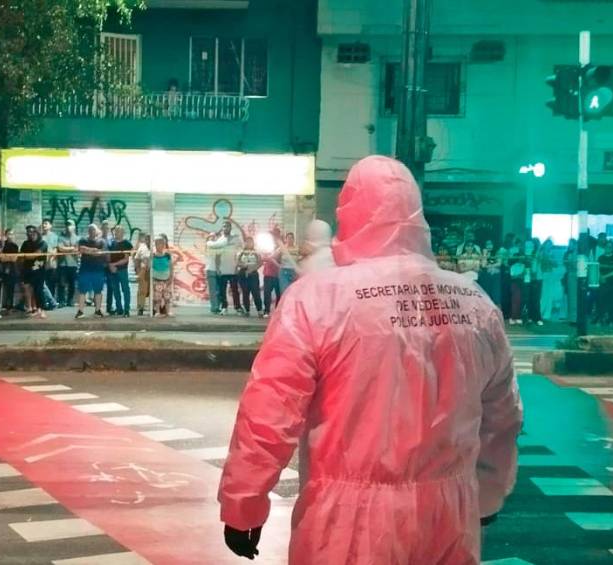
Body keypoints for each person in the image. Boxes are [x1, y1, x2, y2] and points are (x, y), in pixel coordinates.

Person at [218, 156, 522, 564]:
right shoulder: (474, 304)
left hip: (348, 522)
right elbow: (501, 417)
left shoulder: (318, 299)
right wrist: (486, 493)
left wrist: (245, 503)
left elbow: (269, 410)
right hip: (448, 516)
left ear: (349, 214)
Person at [207, 221, 243, 315]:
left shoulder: (236, 238)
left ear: (230, 228)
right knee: (222, 291)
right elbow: (217, 256)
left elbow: (241, 250)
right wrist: (218, 268)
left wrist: (238, 264)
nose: (225, 228)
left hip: (233, 269)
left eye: (227, 226)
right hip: (222, 270)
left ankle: (238, 308)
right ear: (222, 229)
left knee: (235, 290)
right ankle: (224, 307)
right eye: (223, 226)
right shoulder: (220, 240)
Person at [75, 224, 106, 319]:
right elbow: (82, 249)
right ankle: (80, 311)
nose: (92, 231)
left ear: (97, 231)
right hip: (85, 270)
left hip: (98, 270)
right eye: (90, 229)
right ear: (88, 231)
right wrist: (94, 250)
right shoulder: (83, 240)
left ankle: (97, 310)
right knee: (82, 291)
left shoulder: (101, 241)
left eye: (93, 229)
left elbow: (102, 253)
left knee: (98, 291)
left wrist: (90, 251)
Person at [20, 225, 48, 319]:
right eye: (30, 233)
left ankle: (42, 310)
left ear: (38, 233)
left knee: (39, 290)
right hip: (27, 269)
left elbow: (37, 254)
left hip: (39, 269)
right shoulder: (26, 243)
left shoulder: (43, 243)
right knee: (28, 288)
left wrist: (28, 256)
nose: (31, 234)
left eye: (34, 232)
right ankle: (31, 308)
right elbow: (21, 255)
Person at [595, 241, 613, 326]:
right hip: (602, 284)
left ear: (612, 248)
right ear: (604, 248)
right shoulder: (600, 258)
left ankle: (611, 320)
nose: (608, 248)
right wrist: (600, 277)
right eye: (607, 246)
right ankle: (600, 319)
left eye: (610, 247)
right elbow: (597, 269)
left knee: (612, 303)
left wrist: (605, 277)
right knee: (600, 302)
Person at [108, 226, 133, 317]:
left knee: (125, 289)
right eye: (116, 231)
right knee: (115, 290)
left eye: (118, 231)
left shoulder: (126, 243)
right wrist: (110, 265)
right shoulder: (111, 243)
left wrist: (114, 264)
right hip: (112, 270)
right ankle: (119, 309)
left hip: (122, 269)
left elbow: (126, 259)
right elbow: (108, 256)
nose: (116, 233)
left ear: (123, 232)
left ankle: (126, 310)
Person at [236, 237, 263, 318]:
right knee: (245, 292)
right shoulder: (241, 252)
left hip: (253, 273)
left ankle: (260, 310)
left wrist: (252, 269)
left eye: (250, 242)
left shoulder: (256, 252)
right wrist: (244, 265)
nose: (249, 244)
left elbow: (260, 262)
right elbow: (237, 262)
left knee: (256, 292)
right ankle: (247, 310)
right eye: (247, 242)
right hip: (243, 273)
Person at [57, 220, 79, 307]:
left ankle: (70, 300)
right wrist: (72, 249)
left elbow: (77, 249)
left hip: (73, 264)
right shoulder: (61, 238)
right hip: (63, 264)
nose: (68, 227)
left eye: (70, 225)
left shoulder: (78, 238)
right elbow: (60, 248)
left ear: (74, 227)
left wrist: (66, 248)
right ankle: (62, 301)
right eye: (66, 225)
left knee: (72, 284)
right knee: (61, 283)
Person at [151, 236, 174, 317]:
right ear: (155, 245)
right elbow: (150, 266)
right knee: (157, 297)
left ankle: (168, 311)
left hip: (166, 279)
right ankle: (157, 312)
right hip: (157, 280)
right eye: (158, 244)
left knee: (167, 297)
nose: (160, 245)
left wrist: (171, 277)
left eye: (162, 244)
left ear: (164, 245)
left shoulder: (167, 255)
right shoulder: (153, 255)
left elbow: (171, 266)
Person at [261, 229, 282, 317]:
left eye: (276, 235)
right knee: (267, 293)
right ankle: (266, 311)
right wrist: (270, 258)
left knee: (279, 294)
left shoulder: (282, 246)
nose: (274, 236)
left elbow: (282, 259)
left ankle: (278, 312)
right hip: (268, 273)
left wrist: (271, 258)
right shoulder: (266, 246)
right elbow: (263, 258)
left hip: (279, 274)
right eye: (273, 235)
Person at [40, 219, 59, 309]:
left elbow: (55, 249)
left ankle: (52, 303)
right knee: (43, 283)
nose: (44, 225)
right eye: (43, 224)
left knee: (51, 283)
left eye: (46, 224)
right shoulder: (40, 237)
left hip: (51, 263)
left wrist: (50, 259)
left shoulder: (54, 236)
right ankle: (46, 302)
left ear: (50, 225)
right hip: (41, 264)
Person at [538, 238, 558, 322]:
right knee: (544, 295)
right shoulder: (541, 253)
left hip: (550, 274)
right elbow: (542, 263)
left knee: (549, 295)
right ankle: (541, 313)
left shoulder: (551, 253)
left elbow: (555, 264)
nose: (550, 246)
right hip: (544, 274)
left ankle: (547, 314)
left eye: (551, 244)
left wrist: (551, 261)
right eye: (548, 244)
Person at [1, 229, 20, 312]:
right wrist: (5, 258)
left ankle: (10, 306)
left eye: (12, 234)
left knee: (10, 288)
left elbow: (14, 258)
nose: (10, 236)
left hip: (12, 269)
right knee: (3, 287)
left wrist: (6, 258)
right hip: (2, 268)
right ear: (5, 235)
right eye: (9, 234)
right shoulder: (2, 245)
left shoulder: (15, 246)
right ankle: (2, 304)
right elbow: (0, 258)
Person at [101, 220, 116, 314]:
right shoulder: (99, 239)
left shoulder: (111, 239)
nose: (106, 229)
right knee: (98, 287)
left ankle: (109, 307)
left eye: (107, 228)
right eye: (104, 227)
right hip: (101, 265)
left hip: (109, 265)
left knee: (111, 286)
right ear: (101, 228)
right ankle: (97, 307)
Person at [134, 233, 151, 316]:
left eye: (150, 239)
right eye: (147, 239)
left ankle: (154, 308)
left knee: (152, 291)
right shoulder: (141, 247)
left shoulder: (155, 248)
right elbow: (136, 259)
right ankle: (140, 308)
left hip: (153, 272)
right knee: (142, 291)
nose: (148, 241)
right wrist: (137, 271)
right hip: (143, 271)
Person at [562, 238, 578, 324]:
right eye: (569, 244)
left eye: (571, 244)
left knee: (574, 298)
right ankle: (571, 318)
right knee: (571, 298)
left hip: (574, 277)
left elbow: (576, 266)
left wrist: (571, 264)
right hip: (570, 276)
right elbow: (566, 264)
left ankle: (574, 318)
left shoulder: (577, 254)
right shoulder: (568, 253)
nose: (570, 245)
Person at [205, 232, 222, 315]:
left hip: (218, 270)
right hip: (211, 270)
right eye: (211, 236)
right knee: (213, 291)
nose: (212, 237)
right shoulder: (209, 244)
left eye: (214, 236)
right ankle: (214, 308)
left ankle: (218, 306)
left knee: (218, 290)